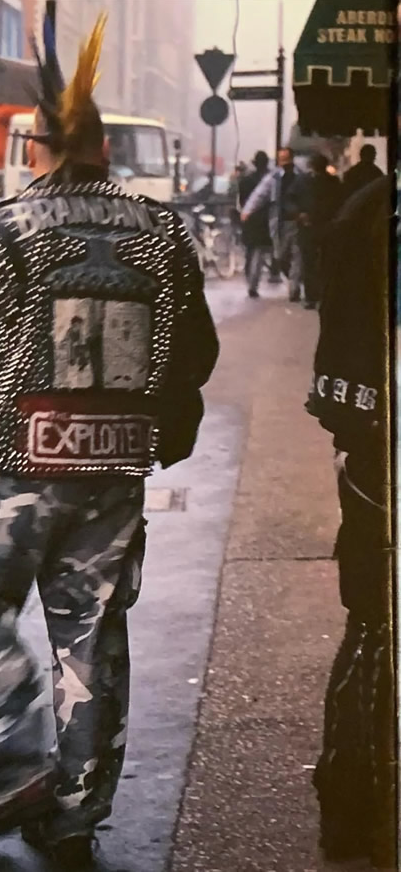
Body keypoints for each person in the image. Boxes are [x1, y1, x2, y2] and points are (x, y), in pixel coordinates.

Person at [0, 12, 219, 871]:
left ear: (40, 148)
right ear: (105, 149)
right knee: (92, 635)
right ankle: (75, 814)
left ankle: (17, 758)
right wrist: (165, 428)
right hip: (112, 470)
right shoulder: (165, 235)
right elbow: (196, 353)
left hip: (7, 468)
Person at [306, 175, 396, 870]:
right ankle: (352, 803)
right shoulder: (369, 214)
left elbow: (336, 342)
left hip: (372, 452)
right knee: (372, 621)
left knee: (370, 622)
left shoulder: (367, 210)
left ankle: (351, 808)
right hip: (376, 454)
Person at [241, 146, 303, 301]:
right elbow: (260, 194)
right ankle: (292, 285)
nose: (284, 162)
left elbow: (259, 195)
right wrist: (248, 210)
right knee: (281, 256)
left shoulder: (300, 176)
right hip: (279, 221)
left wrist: (247, 211)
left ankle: (294, 289)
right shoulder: (274, 177)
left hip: (296, 221)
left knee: (296, 255)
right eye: (281, 159)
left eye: (285, 159)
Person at [290, 153, 342, 310]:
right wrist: (299, 214)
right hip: (317, 226)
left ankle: (314, 297)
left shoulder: (304, 181)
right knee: (315, 262)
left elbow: (290, 200)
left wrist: (299, 214)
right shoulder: (331, 182)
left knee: (312, 263)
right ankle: (316, 296)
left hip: (318, 226)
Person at [238, 151, 272, 298]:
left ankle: (250, 279)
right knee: (260, 252)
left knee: (250, 250)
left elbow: (242, 201)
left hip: (249, 219)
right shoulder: (271, 180)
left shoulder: (245, 180)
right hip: (265, 220)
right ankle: (253, 282)